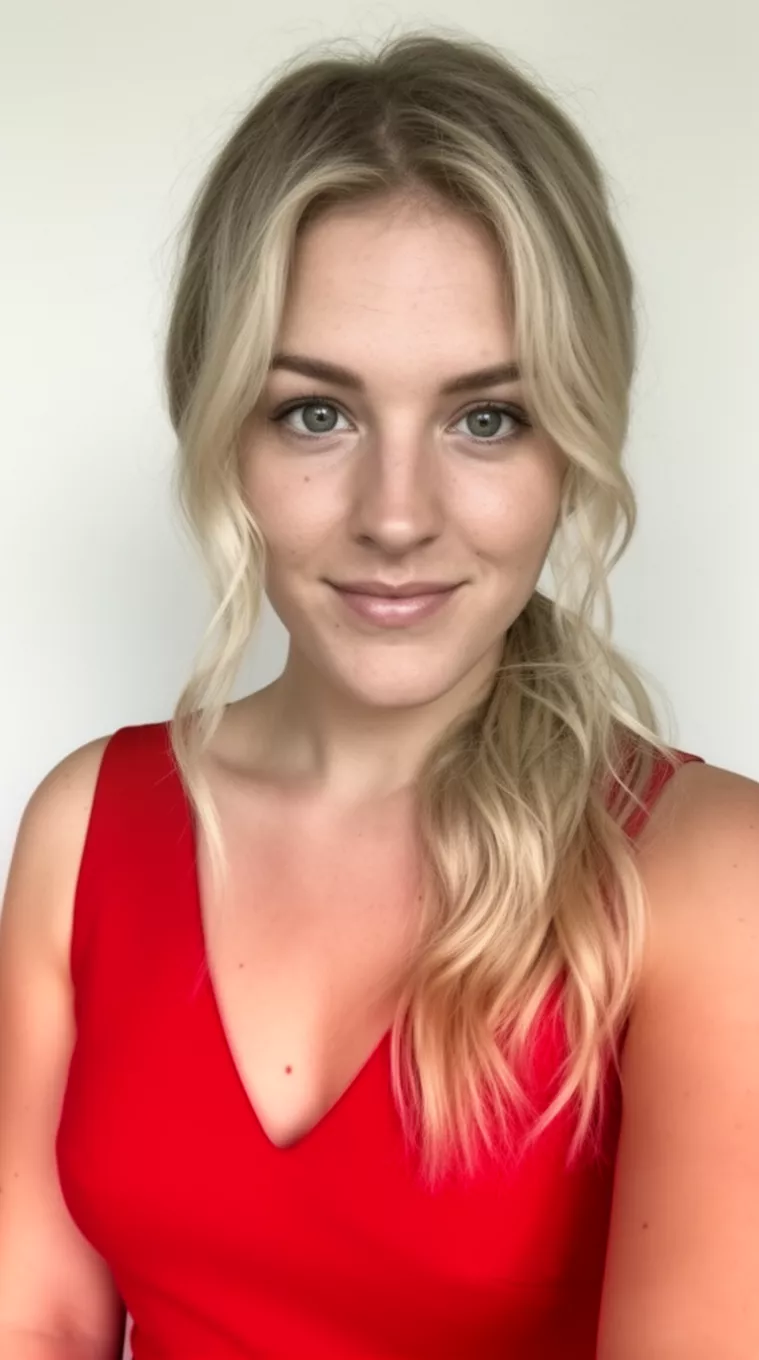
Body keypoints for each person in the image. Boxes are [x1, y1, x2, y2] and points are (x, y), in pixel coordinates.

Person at [0, 26, 757, 1360]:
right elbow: (38, 1321)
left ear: (574, 446)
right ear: (217, 424)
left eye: (486, 418)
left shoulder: (706, 875)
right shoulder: (85, 827)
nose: (395, 516)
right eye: (316, 412)